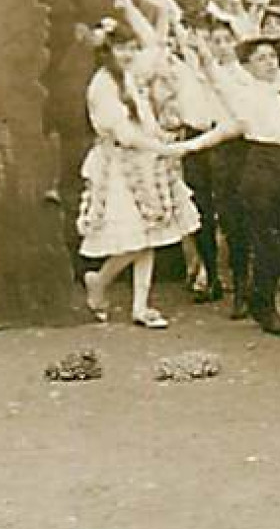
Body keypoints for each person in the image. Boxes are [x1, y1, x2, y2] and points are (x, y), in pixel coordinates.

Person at [77, 17, 224, 328]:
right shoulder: (103, 85)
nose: (128, 54)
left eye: (131, 48)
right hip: (119, 164)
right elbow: (124, 133)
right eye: (120, 48)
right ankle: (100, 280)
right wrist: (165, 149)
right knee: (136, 238)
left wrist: (160, 137)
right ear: (107, 51)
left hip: (147, 158)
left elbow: (144, 114)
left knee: (151, 233)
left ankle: (140, 306)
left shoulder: (129, 77)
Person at [202, 30, 280, 336]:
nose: (269, 63)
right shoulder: (242, 91)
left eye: (273, 57)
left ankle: (258, 292)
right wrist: (199, 49)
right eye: (260, 58)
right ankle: (265, 305)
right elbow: (215, 75)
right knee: (265, 238)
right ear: (246, 66)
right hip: (263, 163)